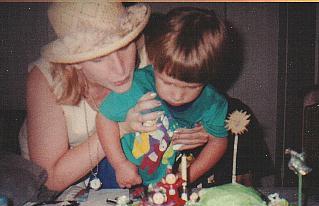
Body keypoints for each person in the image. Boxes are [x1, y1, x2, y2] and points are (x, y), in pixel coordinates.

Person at [19, 2, 210, 192]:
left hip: (130, 172)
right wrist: (118, 129)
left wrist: (198, 129)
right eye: (98, 58)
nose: (120, 70)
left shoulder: (150, 55)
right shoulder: (45, 79)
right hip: (59, 188)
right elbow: (51, 179)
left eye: (124, 46)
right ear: (74, 62)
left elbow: (193, 101)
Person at [97, 7, 228, 188]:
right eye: (168, 83)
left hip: (161, 177)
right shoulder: (138, 85)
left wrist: (184, 176)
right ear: (154, 63)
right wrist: (120, 164)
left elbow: (218, 142)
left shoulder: (212, 103)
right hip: (116, 169)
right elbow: (104, 118)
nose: (178, 95)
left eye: (191, 87)